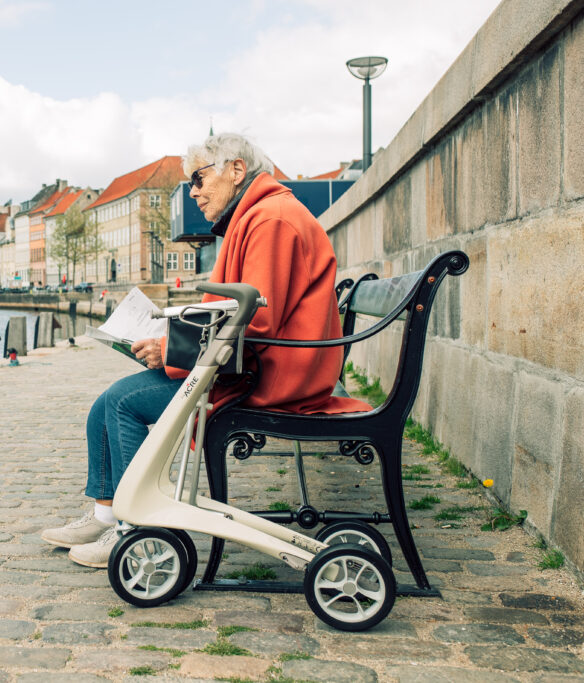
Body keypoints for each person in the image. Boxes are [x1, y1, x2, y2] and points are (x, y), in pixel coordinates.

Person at [40, 132, 371, 567]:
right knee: (107, 402)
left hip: (269, 378)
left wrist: (171, 350)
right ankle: (106, 514)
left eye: (198, 179)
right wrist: (171, 331)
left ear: (236, 170)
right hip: (255, 365)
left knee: (123, 403)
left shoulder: (270, 220)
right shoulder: (260, 214)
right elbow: (245, 309)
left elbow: (256, 319)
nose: (193, 192)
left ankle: (135, 530)